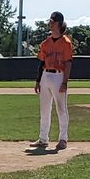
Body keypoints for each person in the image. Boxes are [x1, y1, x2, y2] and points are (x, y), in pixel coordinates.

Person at [32, 11, 73, 151]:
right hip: (46, 75)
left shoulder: (66, 43)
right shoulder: (45, 43)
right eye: (50, 21)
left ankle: (63, 138)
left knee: (61, 108)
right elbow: (41, 62)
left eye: (53, 22)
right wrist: (38, 80)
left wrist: (65, 82)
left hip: (59, 75)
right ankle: (43, 139)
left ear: (59, 24)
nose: (50, 24)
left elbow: (68, 63)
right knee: (44, 109)